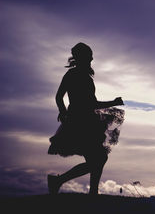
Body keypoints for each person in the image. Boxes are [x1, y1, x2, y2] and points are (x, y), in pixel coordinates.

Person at [47, 42, 125, 195]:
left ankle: (66, 184)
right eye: (89, 56)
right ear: (82, 58)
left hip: (85, 120)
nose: (92, 59)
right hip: (81, 122)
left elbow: (65, 98)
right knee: (99, 158)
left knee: (97, 159)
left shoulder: (79, 75)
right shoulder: (77, 75)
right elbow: (84, 102)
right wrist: (63, 112)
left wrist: (63, 112)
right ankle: (64, 183)